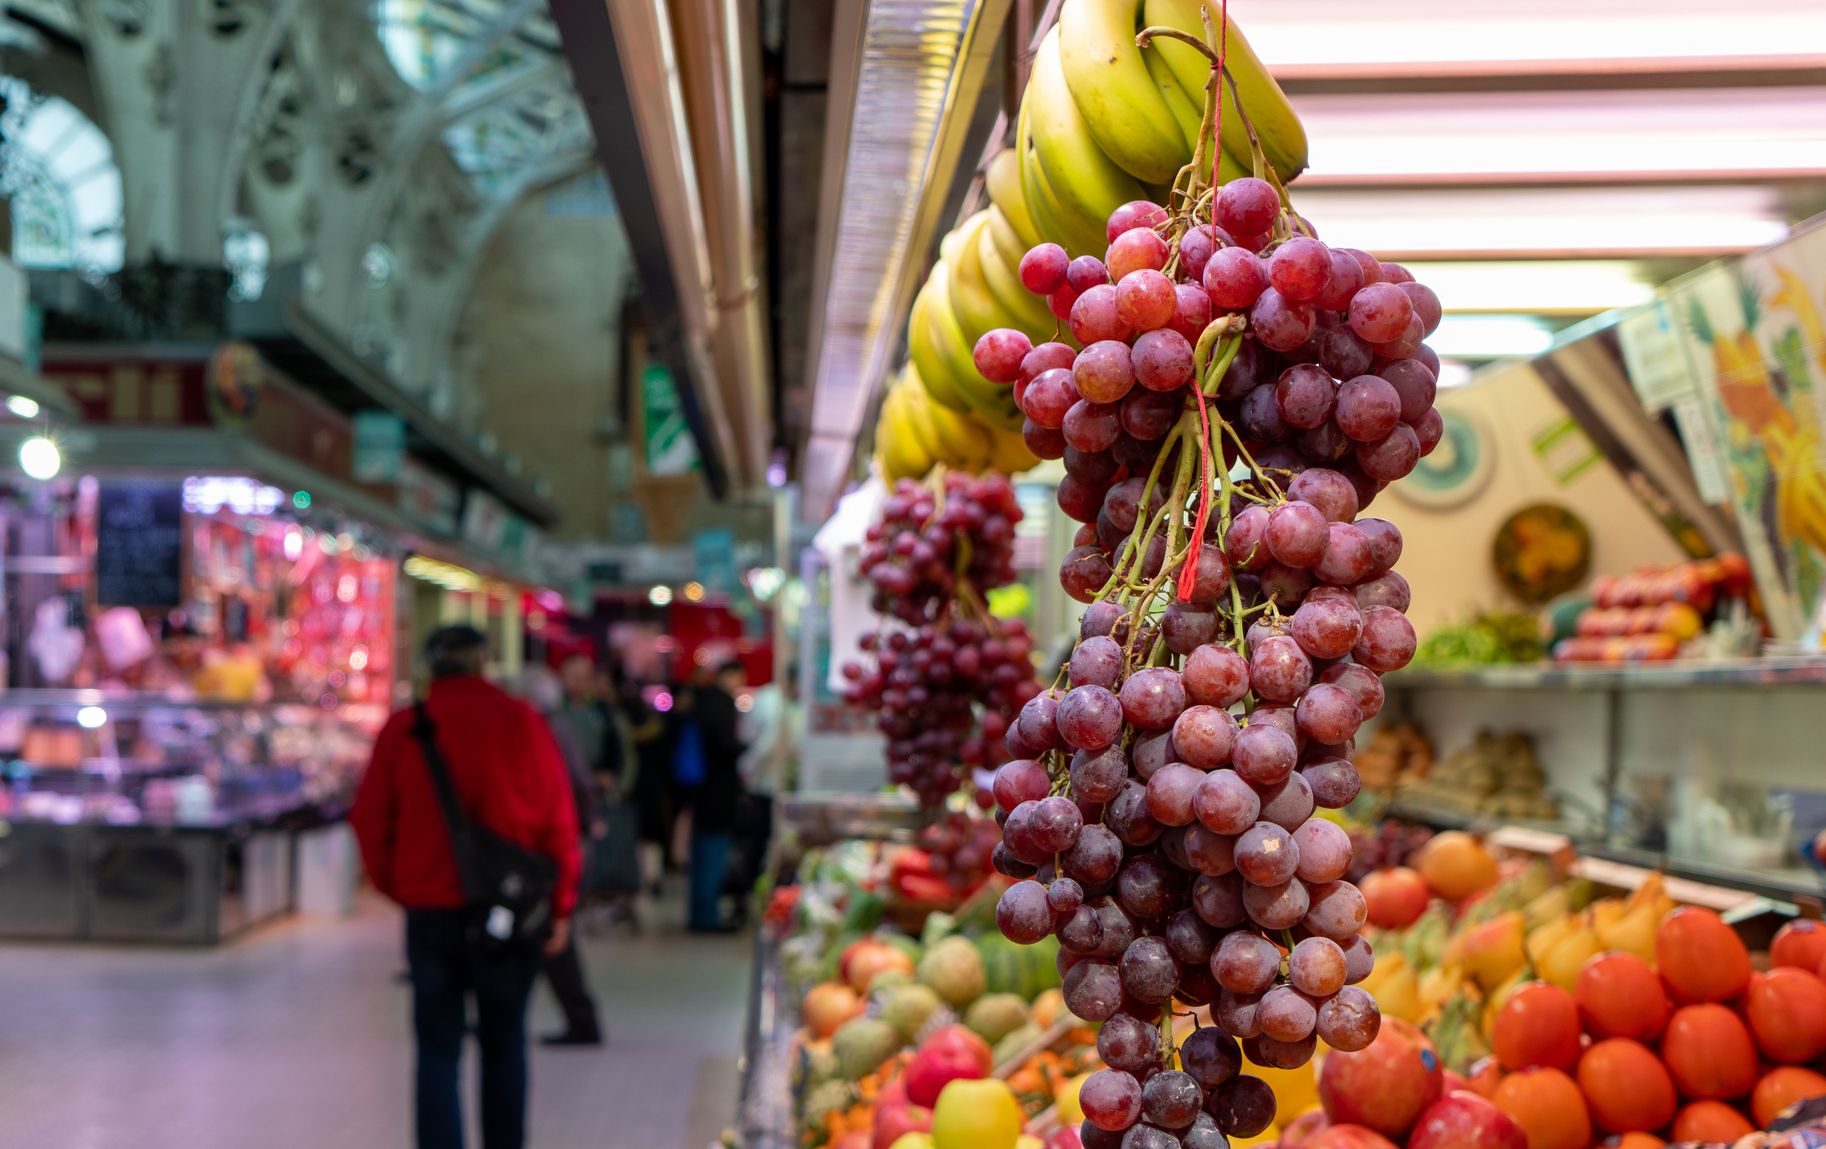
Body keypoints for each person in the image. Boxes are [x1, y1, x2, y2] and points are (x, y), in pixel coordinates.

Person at [351, 626, 582, 1149]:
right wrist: (561, 906)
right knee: (504, 1044)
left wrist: (400, 885)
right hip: (511, 910)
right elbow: (559, 823)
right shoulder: (524, 723)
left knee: (437, 1051)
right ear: (483, 665)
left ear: (432, 668)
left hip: (431, 912)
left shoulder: (406, 729)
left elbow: (368, 819)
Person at [516, 664, 605, 1048]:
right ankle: (577, 1017)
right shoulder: (549, 730)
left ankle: (581, 1019)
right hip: (550, 845)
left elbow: (576, 783)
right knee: (543, 936)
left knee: (552, 935)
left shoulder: (547, 732)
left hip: (553, 847)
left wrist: (587, 822)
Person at [684, 659, 747, 932]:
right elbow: (726, 747)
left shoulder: (701, 703)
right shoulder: (721, 707)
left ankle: (700, 913)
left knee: (701, 855)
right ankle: (707, 917)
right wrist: (745, 746)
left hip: (700, 790)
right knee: (712, 854)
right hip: (718, 793)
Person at [732, 663, 800, 908]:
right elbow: (768, 744)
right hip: (764, 786)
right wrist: (746, 770)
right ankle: (749, 891)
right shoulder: (774, 702)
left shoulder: (773, 700)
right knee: (757, 841)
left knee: (757, 840)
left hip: (766, 783)